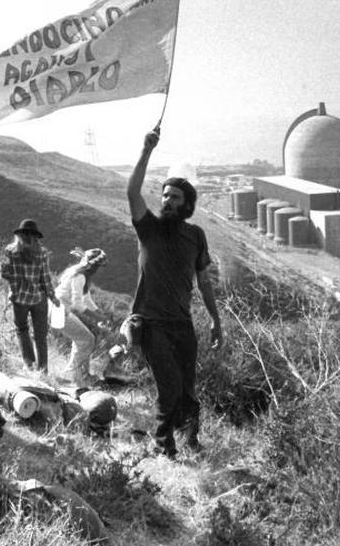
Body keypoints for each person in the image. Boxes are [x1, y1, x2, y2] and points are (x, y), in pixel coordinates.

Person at [126, 128, 223, 459]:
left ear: (188, 205)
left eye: (175, 197)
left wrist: (215, 320)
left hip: (182, 324)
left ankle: (191, 440)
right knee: (169, 387)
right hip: (151, 323)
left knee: (188, 391)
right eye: (165, 195)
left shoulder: (196, 236)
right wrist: (146, 150)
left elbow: (204, 281)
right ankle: (163, 445)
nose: (167, 201)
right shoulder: (148, 228)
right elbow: (132, 192)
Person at [0, 219, 59, 373]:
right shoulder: (42, 253)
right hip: (39, 298)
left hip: (19, 298)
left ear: (19, 235)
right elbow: (45, 277)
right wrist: (53, 297)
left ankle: (29, 364)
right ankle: (43, 370)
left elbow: (4, 273)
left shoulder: (10, 251)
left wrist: (15, 280)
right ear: (36, 236)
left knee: (22, 329)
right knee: (40, 335)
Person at [55, 248, 108, 387]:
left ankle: (80, 374)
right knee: (86, 340)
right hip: (58, 312)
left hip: (57, 309)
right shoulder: (80, 277)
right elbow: (77, 305)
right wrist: (98, 317)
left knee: (84, 339)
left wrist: (99, 314)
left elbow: (86, 299)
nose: (99, 270)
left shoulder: (78, 273)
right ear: (93, 266)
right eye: (98, 266)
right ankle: (74, 375)